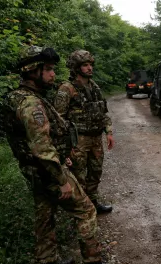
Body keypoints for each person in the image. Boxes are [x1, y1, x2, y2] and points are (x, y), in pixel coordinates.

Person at [2, 45, 123, 264]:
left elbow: (46, 136)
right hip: (47, 170)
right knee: (87, 210)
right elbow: (42, 148)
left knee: (44, 214)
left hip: (36, 170)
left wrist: (64, 151)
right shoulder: (31, 104)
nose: (52, 74)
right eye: (47, 70)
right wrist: (61, 179)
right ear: (32, 71)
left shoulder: (19, 97)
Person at [53, 50, 114, 214]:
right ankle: (80, 210)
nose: (89, 68)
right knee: (78, 175)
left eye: (90, 65)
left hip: (95, 139)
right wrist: (66, 145)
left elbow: (103, 112)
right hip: (78, 140)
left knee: (95, 172)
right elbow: (59, 119)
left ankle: (93, 203)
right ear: (76, 67)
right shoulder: (67, 89)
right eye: (85, 65)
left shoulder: (94, 87)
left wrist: (108, 131)